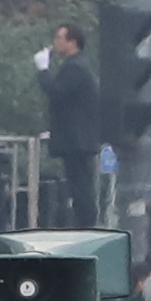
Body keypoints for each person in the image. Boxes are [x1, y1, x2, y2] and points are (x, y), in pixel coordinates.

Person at [38, 22, 99, 230]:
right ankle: (84, 223)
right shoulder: (77, 66)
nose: (55, 43)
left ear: (72, 42)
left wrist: (43, 70)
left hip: (77, 140)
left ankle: (86, 226)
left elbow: (57, 93)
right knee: (79, 184)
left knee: (80, 185)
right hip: (77, 138)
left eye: (59, 38)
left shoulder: (75, 67)